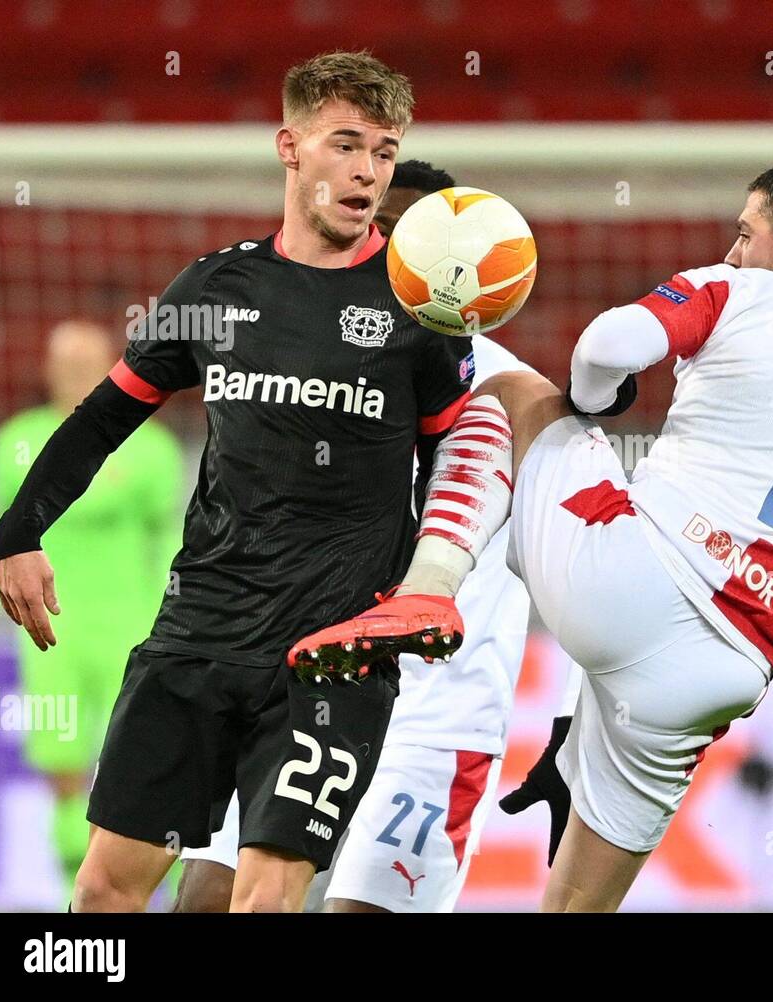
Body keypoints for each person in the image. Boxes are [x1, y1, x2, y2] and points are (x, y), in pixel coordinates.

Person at [291, 160, 773, 912]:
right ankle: (572, 727)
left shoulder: (737, 290)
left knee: (512, 390)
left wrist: (596, 399)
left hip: (625, 579)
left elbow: (602, 347)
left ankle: (426, 592)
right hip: (721, 673)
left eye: (747, 230)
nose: (735, 248)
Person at [0, 51, 472, 912]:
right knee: (104, 889)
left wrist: (430, 585)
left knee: (261, 900)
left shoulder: (420, 314)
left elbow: (456, 466)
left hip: (334, 656)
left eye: (386, 152)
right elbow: (105, 416)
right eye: (346, 144)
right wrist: (18, 534)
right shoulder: (216, 286)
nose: (367, 171)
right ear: (291, 148)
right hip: (198, 634)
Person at [174, 160, 568, 913]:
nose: (392, 257)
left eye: (412, 241)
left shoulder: (518, 394)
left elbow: (584, 564)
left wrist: (571, 723)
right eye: (381, 232)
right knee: (207, 899)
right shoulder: (302, 366)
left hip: (435, 718)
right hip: (294, 689)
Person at [0, 320, 183, 886]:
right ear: (47, 370)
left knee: (136, 756)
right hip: (44, 625)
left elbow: (166, 540)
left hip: (128, 621)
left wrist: (176, 615)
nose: (74, 373)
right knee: (61, 756)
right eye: (64, 363)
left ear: (111, 366)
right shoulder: (18, 439)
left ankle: (143, 883)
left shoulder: (151, 446)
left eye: (85, 362)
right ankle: (75, 883)